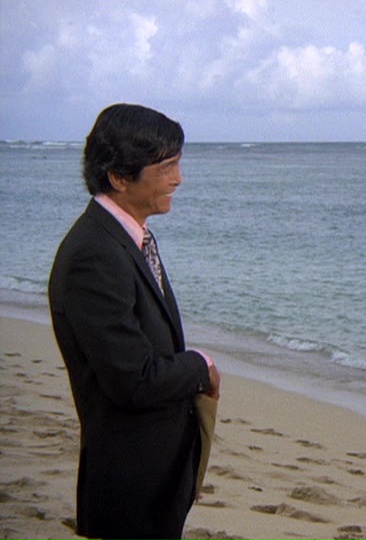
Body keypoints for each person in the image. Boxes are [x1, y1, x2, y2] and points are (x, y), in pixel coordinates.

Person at [49, 103, 221, 540]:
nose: (178, 179)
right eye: (166, 168)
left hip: (156, 477)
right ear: (119, 177)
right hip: (130, 484)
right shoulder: (94, 253)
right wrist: (200, 367)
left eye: (178, 164)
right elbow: (133, 380)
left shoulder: (129, 236)